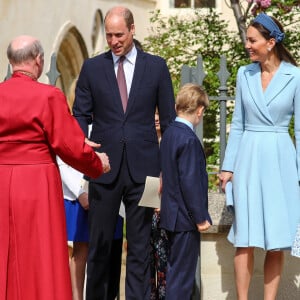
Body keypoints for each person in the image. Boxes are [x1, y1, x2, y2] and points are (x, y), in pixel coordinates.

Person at [72, 5, 176, 300]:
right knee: (100, 246)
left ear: (132, 30)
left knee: (141, 248)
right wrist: (84, 144)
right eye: (109, 35)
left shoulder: (155, 67)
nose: (114, 40)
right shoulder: (92, 68)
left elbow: (168, 122)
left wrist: (166, 171)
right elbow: (80, 113)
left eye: (119, 34)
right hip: (103, 168)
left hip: (146, 171)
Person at [0, 35, 110, 300]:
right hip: (37, 182)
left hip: (3, 180)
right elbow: (70, 146)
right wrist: (98, 164)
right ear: (38, 60)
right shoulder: (49, 95)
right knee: (40, 254)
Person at [219, 13, 300, 300]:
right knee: (245, 238)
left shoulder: (295, 76)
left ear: (271, 42)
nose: (248, 45)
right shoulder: (244, 74)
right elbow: (238, 124)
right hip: (249, 159)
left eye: (253, 40)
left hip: (281, 162)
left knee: (276, 241)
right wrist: (228, 167)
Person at [159, 83, 212, 300]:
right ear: (199, 110)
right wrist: (200, 217)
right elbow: (190, 182)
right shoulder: (189, 139)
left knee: (174, 274)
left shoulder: (169, 133)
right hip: (185, 219)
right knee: (182, 278)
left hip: (171, 215)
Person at [150, 109, 169, 300]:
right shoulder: (144, 142)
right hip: (145, 207)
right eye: (152, 114)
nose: (156, 118)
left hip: (166, 208)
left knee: (164, 261)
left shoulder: (169, 142)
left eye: (158, 114)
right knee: (146, 262)